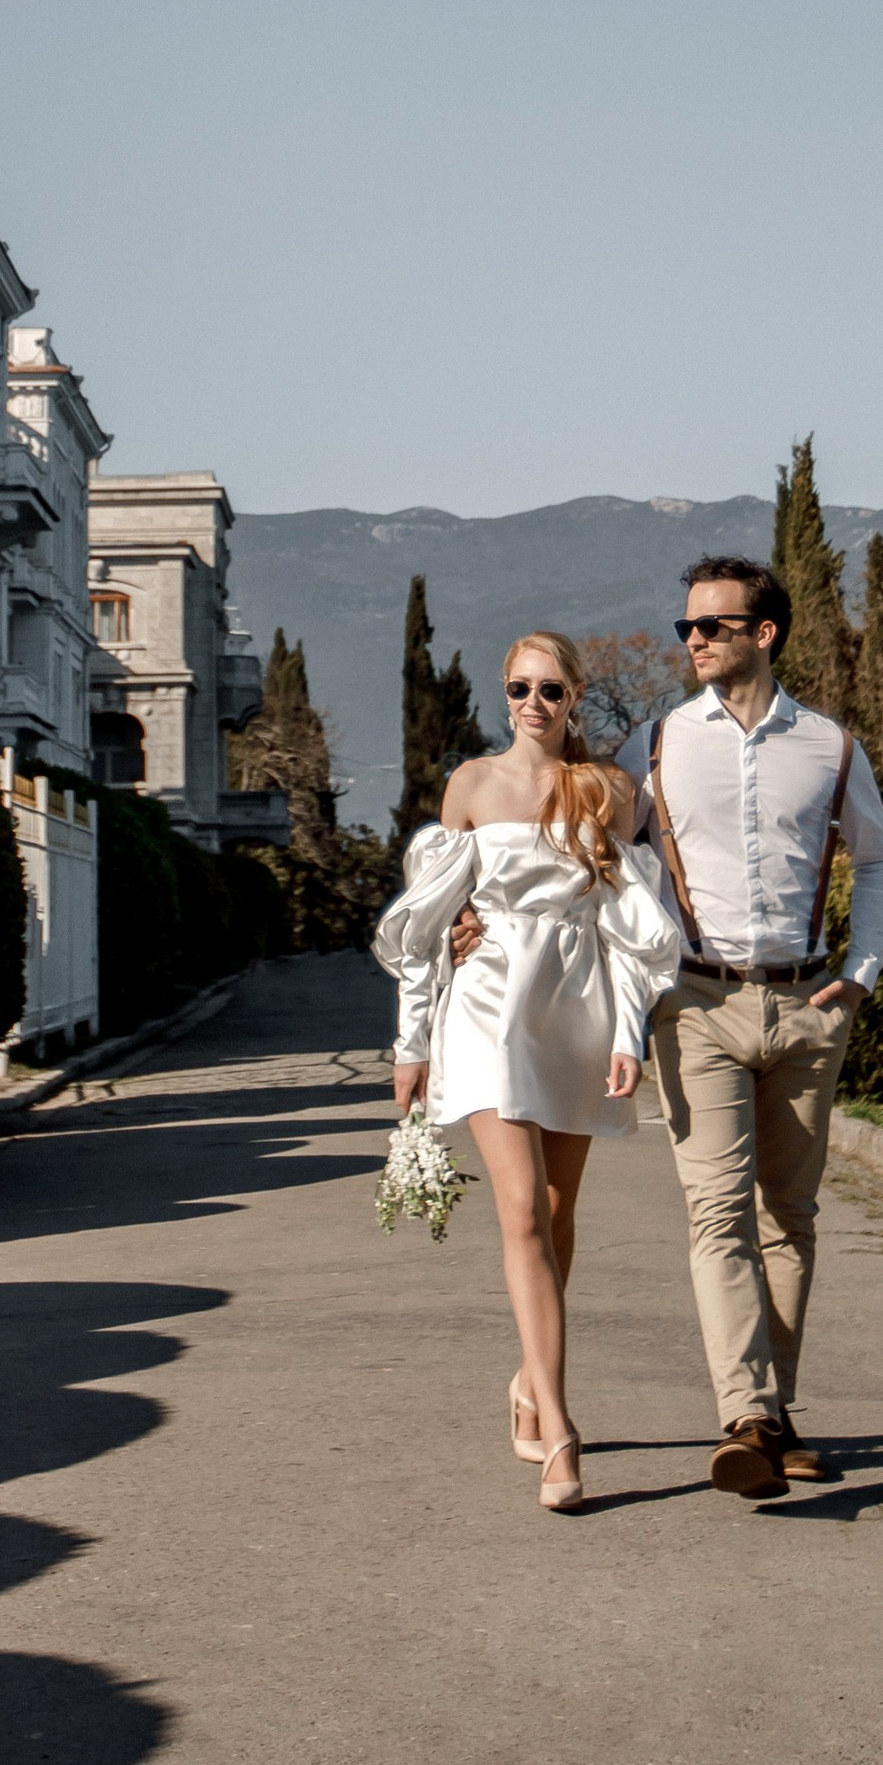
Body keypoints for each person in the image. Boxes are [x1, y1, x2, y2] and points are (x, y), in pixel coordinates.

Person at [612, 554, 883, 1502]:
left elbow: (881, 864)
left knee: (792, 1216)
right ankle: (746, 1415)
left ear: (763, 634)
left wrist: (860, 975)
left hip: (809, 1005)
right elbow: (591, 853)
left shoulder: (829, 746)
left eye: (713, 627)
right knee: (715, 1212)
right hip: (694, 1005)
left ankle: (774, 1415)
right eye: (686, 627)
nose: (693, 641)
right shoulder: (653, 744)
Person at [375, 629, 682, 1513]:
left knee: (556, 1211)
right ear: (501, 696)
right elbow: (431, 929)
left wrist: (630, 1034)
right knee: (518, 1213)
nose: (533, 705)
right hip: (485, 1007)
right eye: (518, 689)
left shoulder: (611, 792)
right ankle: (559, 1424)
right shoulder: (469, 787)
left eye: (550, 690)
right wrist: (413, 1046)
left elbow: (632, 934)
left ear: (577, 696)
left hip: (577, 1008)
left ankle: (524, 1379)